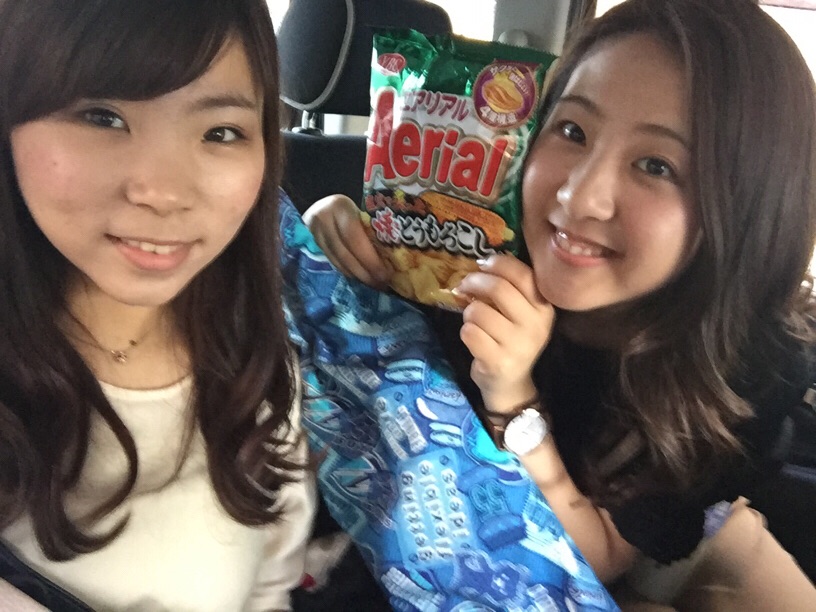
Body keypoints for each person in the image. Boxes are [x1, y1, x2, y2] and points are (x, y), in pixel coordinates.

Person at [303, 0, 816, 608]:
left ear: (745, 211)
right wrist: (328, 242)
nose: (579, 196)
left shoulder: (744, 368)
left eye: (656, 166)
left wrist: (511, 394)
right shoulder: (459, 256)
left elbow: (600, 558)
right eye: (572, 131)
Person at [0, 0, 314, 610]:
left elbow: (271, 587)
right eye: (102, 116)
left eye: (220, 132)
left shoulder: (257, 358)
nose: (164, 192)